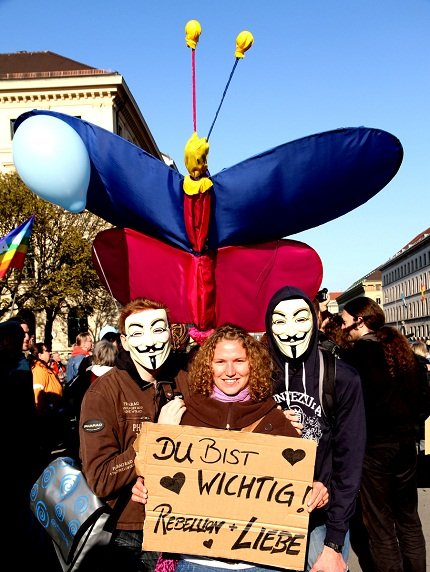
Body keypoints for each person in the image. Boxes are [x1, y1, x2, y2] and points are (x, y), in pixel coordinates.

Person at [132, 323, 329, 572]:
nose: (230, 371)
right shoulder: (183, 418)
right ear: (208, 366)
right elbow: (156, 481)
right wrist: (144, 486)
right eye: (220, 362)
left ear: (252, 365)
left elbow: (298, 489)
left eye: (239, 361)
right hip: (197, 562)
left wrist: (316, 490)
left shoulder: (277, 421)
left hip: (262, 563)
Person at [79, 297, 189, 572]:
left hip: (185, 523)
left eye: (158, 328)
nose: (150, 340)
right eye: (138, 332)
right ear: (125, 342)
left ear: (171, 333)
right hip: (130, 532)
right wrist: (156, 436)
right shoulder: (103, 393)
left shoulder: (186, 380)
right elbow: (101, 479)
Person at [263, 285, 366, 572]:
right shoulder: (257, 376)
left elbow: (350, 461)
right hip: (267, 516)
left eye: (300, 317)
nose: (291, 329)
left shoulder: (342, 377)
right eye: (280, 320)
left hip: (321, 520)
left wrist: (334, 544)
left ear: (314, 318)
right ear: (269, 326)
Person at [340, 297, 427, 572]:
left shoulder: (354, 358)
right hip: (405, 446)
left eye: (345, 322)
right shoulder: (406, 354)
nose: (343, 328)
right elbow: (425, 400)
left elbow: (348, 408)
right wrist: (410, 425)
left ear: (360, 320)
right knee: (408, 518)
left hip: (373, 448)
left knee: (380, 525)